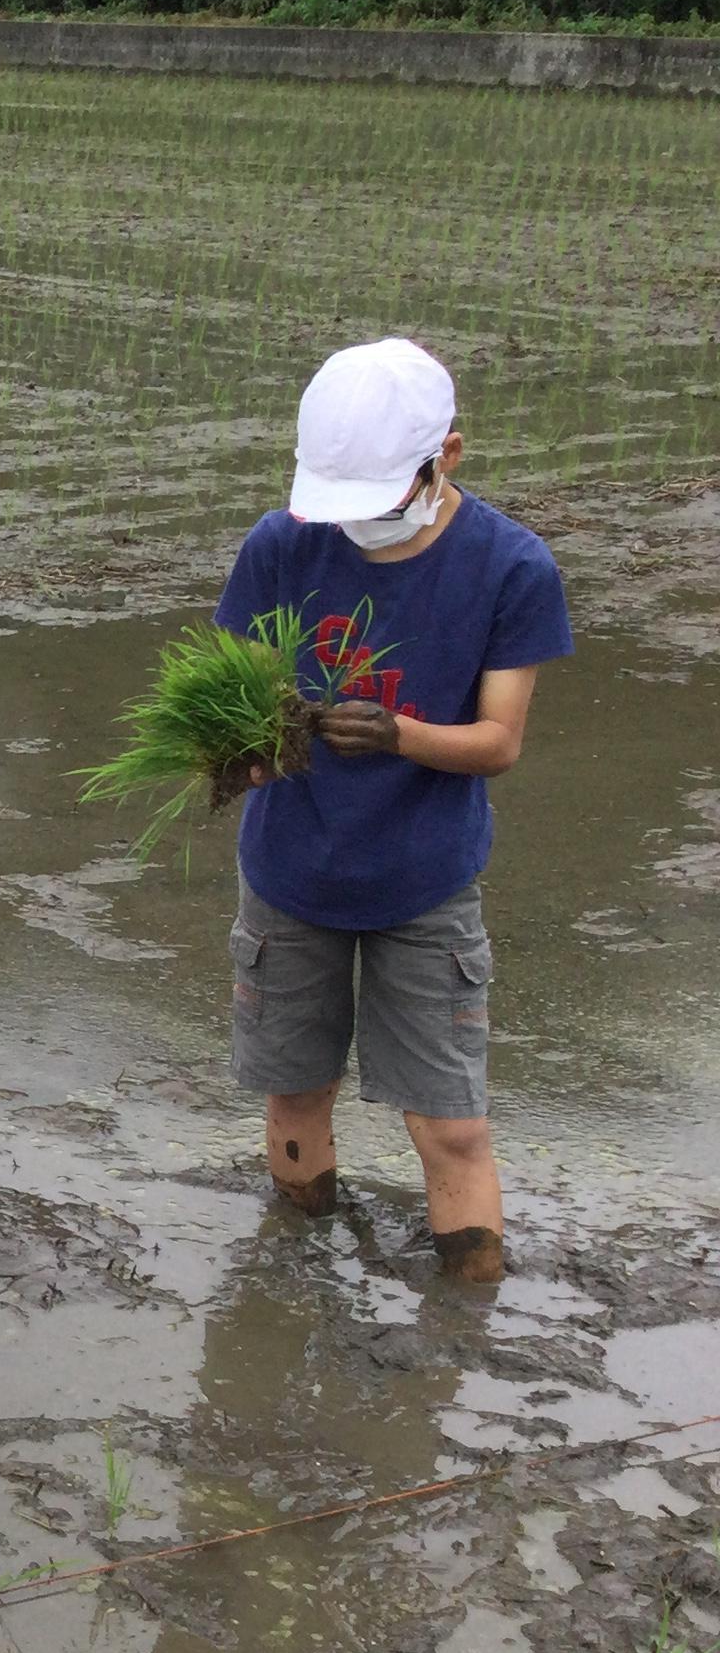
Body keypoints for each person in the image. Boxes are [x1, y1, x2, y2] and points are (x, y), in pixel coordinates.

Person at [218, 336, 570, 1282]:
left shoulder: (510, 567)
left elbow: (499, 742)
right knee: (296, 1095)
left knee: (451, 1126)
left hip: (426, 882)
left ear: (444, 457)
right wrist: (242, 756)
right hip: (292, 876)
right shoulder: (283, 544)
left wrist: (401, 735)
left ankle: (469, 1324)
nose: (357, 524)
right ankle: (294, 1285)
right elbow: (234, 709)